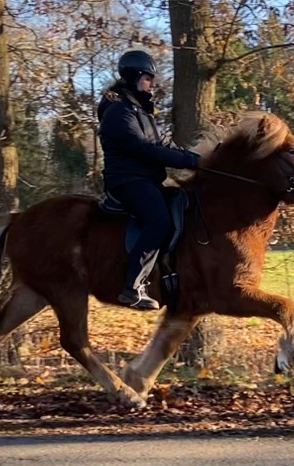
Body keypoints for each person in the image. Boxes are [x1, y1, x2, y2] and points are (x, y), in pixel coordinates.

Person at [97, 50, 200, 310]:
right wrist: (188, 162)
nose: (151, 83)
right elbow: (145, 150)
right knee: (159, 220)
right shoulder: (119, 112)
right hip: (128, 181)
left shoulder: (142, 112)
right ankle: (132, 287)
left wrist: (197, 157)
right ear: (133, 77)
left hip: (146, 180)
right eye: (147, 78)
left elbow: (164, 144)